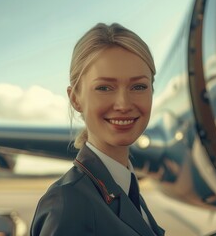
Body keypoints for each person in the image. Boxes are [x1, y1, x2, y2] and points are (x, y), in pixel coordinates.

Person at [30, 23, 165, 236]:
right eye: (104, 88)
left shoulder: (126, 188)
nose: (123, 104)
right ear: (75, 98)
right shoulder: (67, 205)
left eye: (138, 86)